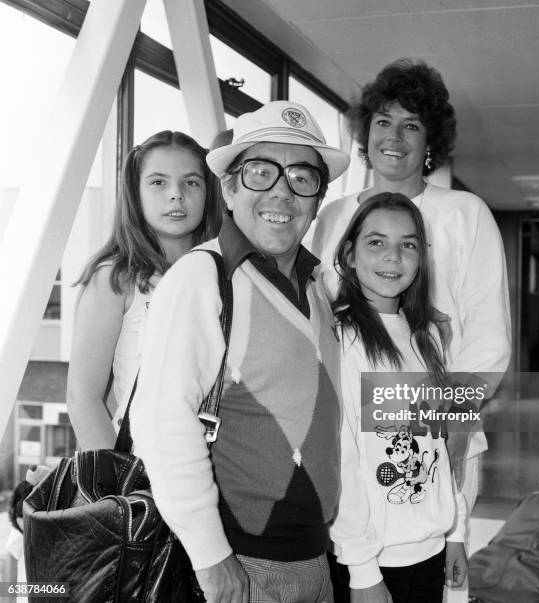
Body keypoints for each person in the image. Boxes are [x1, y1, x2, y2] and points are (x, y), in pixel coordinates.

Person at [130, 101, 350, 603]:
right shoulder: (201, 278)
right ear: (228, 189)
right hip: (245, 565)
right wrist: (211, 559)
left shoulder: (318, 285)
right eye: (260, 172)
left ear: (318, 198)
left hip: (317, 556)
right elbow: (163, 423)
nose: (282, 191)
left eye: (301, 176)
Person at [311, 58, 511, 601]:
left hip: (439, 444)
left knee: (434, 575)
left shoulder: (464, 214)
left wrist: (457, 522)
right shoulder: (331, 218)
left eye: (411, 125)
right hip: (350, 449)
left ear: (431, 143)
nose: (393, 137)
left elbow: (488, 344)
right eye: (382, 121)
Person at [330, 191, 467, 603]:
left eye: (408, 244)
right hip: (373, 560)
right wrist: (363, 572)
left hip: (429, 550)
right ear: (350, 254)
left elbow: (437, 445)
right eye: (377, 242)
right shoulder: (340, 338)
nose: (393, 257)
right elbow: (343, 460)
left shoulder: (425, 337)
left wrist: (455, 533)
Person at [67, 130, 220, 450]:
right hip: (140, 473)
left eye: (191, 182)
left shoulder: (222, 276)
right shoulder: (116, 278)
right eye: (158, 182)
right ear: (135, 193)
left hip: (219, 470)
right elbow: (83, 398)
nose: (176, 195)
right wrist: (118, 490)